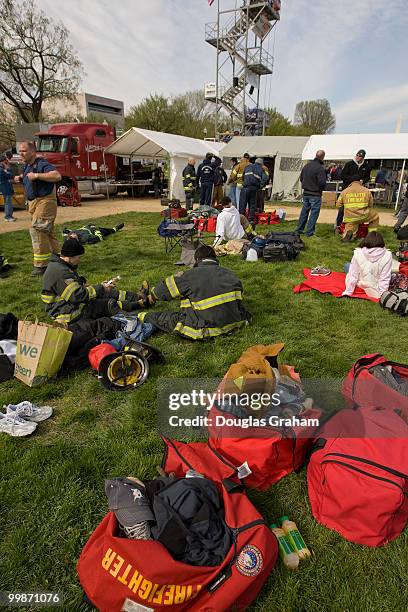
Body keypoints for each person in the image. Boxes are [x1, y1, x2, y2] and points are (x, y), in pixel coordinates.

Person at [139, 244, 250, 340]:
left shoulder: (189, 276)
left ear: (197, 260)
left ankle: (137, 316)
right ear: (215, 259)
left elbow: (160, 291)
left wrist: (151, 298)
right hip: (234, 324)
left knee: (164, 317)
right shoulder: (231, 274)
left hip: (203, 329)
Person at [41, 238, 153, 324]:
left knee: (109, 293)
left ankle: (140, 299)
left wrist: (100, 287)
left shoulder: (61, 266)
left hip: (70, 304)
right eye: (79, 257)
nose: (79, 261)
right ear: (70, 256)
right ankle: (139, 316)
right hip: (66, 313)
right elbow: (77, 295)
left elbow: (76, 288)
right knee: (107, 304)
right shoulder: (61, 272)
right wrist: (101, 288)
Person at [15, 141, 61, 276]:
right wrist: (21, 178)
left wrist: (37, 176)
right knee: (48, 232)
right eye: (20, 151)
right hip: (34, 203)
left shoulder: (42, 164)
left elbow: (57, 176)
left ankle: (42, 266)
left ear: (33, 152)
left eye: (23, 151)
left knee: (38, 230)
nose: (21, 154)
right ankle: (59, 259)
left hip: (45, 201)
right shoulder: (27, 166)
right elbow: (28, 176)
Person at [342, 232, 392, 299]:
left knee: (347, 265)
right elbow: (385, 278)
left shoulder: (358, 253)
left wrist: (348, 291)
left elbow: (353, 274)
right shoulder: (387, 255)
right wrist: (382, 294)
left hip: (361, 283)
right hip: (375, 288)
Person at [336, 149, 371, 231]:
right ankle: (338, 226)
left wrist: (362, 181)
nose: (358, 157)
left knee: (358, 209)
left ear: (363, 157)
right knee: (343, 208)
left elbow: (367, 177)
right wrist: (354, 179)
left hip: (359, 192)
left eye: (360, 156)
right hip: (347, 190)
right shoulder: (349, 164)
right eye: (357, 155)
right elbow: (343, 176)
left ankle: (357, 227)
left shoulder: (367, 166)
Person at [336, 176, 379, 242]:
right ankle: (371, 235)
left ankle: (348, 235)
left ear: (351, 182)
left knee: (350, 227)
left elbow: (338, 205)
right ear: (360, 181)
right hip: (363, 215)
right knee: (375, 216)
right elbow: (371, 204)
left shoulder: (344, 191)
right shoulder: (366, 190)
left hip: (350, 218)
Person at [296, 150, 326, 238]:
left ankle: (299, 229)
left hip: (306, 193)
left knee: (304, 212)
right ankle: (309, 232)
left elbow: (301, 179)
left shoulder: (307, 166)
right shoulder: (320, 168)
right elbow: (322, 182)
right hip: (315, 194)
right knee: (314, 213)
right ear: (322, 157)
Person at [239, 157, 269, 224]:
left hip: (245, 188)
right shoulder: (261, 169)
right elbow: (265, 178)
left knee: (242, 204)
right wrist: (260, 186)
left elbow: (243, 176)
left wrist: (244, 183)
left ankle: (241, 220)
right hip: (254, 189)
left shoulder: (248, 166)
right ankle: (250, 220)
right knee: (252, 205)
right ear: (261, 164)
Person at [0, 154, 16, 222]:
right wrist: (8, 168)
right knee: (8, 203)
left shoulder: (2, 169)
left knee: (8, 202)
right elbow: (10, 175)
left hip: (6, 187)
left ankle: (10, 216)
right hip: (5, 187)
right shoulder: (1, 169)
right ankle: (8, 217)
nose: (6, 162)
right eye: (5, 161)